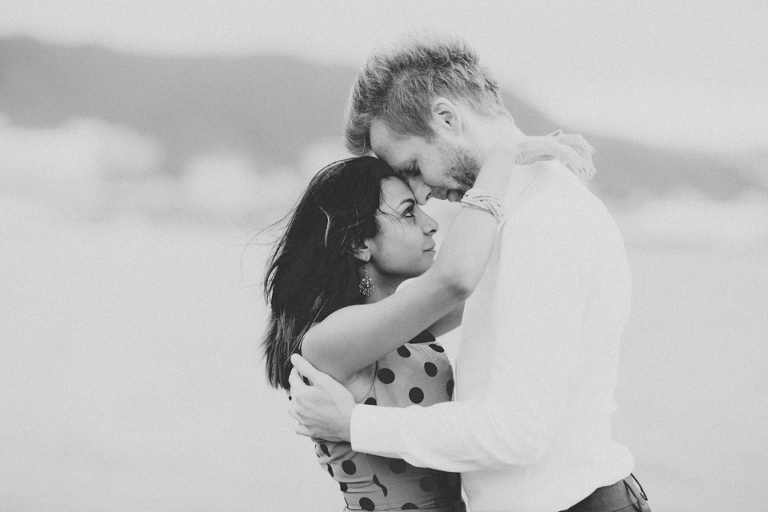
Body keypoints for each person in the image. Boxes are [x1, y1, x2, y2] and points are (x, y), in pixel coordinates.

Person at [287, 36, 652, 512]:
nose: (423, 197)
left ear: (446, 118)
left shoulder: (542, 222)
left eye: (414, 166)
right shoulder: (505, 221)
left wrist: (357, 425)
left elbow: (516, 434)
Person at [264, 142, 594, 509]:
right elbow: (456, 279)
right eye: (408, 214)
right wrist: (501, 152)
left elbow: (490, 277)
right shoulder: (328, 340)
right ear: (360, 242)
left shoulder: (398, 328)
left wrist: (538, 181)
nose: (431, 224)